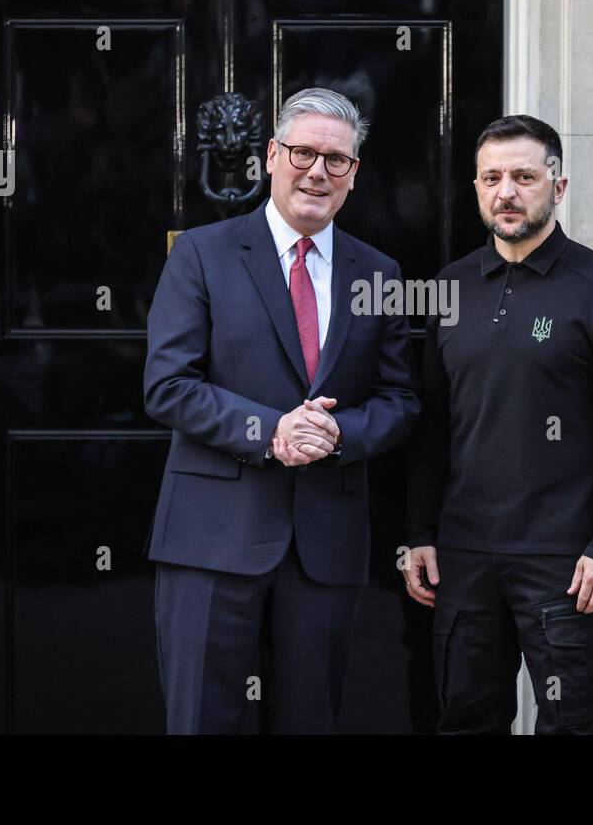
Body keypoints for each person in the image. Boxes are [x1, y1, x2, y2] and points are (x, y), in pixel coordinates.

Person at [144, 87, 420, 733]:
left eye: (336, 159)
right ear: (271, 155)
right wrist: (270, 430)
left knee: (309, 720)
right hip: (211, 537)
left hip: (324, 542)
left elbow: (400, 398)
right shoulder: (202, 253)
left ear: (354, 173)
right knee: (203, 720)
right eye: (302, 152)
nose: (318, 171)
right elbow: (168, 384)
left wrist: (335, 432)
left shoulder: (378, 272)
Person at [403, 114, 593, 734]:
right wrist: (419, 532)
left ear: (559, 186)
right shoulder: (449, 288)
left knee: (571, 724)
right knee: (466, 721)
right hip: (464, 558)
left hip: (566, 563)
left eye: (524, 176)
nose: (506, 192)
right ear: (476, 187)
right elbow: (432, 421)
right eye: (492, 177)